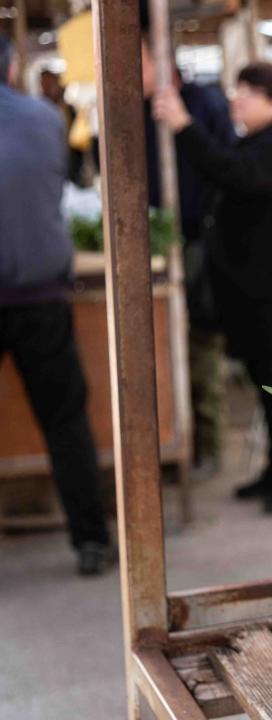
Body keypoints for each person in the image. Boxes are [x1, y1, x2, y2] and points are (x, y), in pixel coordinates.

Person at [153, 61, 272, 513]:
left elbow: (234, 173)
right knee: (266, 388)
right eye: (239, 89)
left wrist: (185, 127)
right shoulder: (260, 141)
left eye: (251, 91)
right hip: (255, 296)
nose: (238, 98)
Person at [0, 32, 112, 574]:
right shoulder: (46, 119)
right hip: (41, 295)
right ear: (13, 64)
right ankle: (91, 540)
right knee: (65, 420)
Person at [141, 38, 236, 479]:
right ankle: (171, 448)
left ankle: (208, 448)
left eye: (138, 58)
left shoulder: (203, 103)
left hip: (200, 242)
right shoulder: (136, 110)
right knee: (159, 351)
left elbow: (225, 168)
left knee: (201, 346)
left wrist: (182, 125)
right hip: (155, 244)